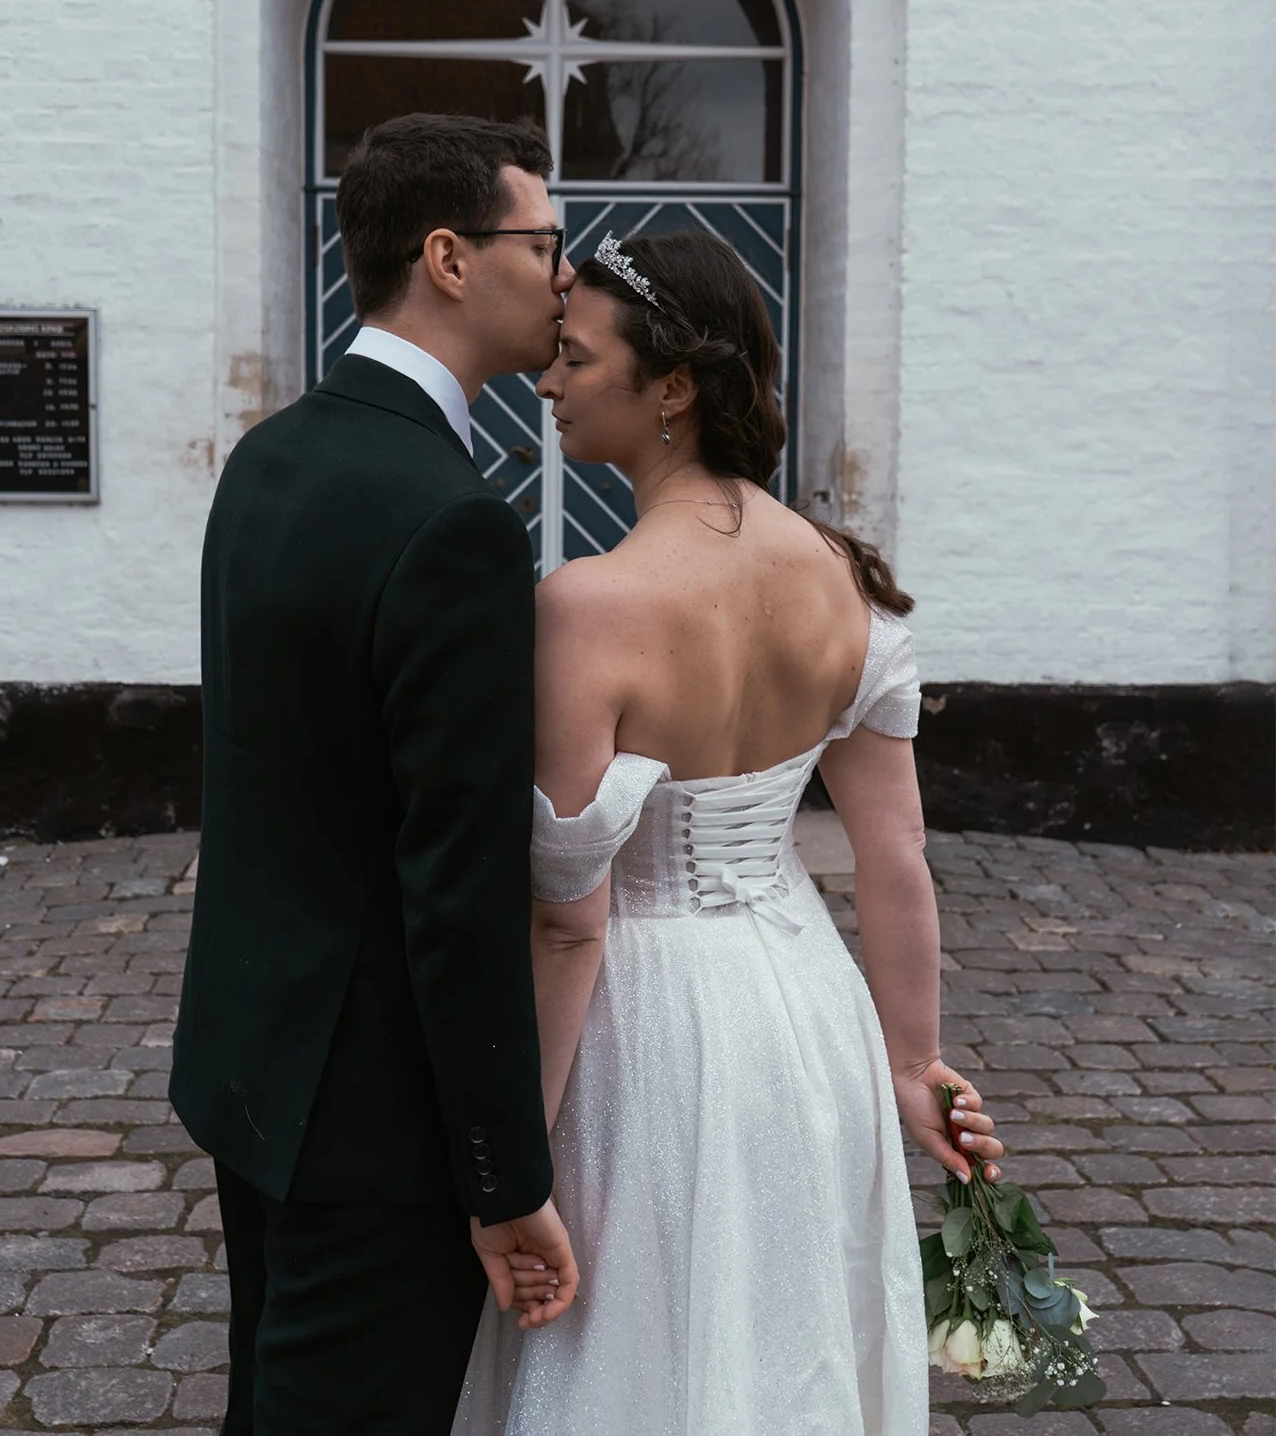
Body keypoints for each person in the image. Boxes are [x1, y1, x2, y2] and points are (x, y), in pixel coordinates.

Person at [455, 229, 1004, 1434]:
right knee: (780, 1339)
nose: (548, 382)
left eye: (577, 357)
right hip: (808, 1020)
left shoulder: (585, 607)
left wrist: (515, 1165)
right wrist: (914, 1064)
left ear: (673, 388)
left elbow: (566, 927)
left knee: (636, 1351)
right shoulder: (843, 584)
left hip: (642, 1034)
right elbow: (893, 855)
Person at [170, 114, 580, 1436]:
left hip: (253, 1068)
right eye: (546, 243)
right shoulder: (450, 519)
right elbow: (454, 883)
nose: (564, 277)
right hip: (373, 1125)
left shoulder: (270, 457)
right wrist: (505, 1177)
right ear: (451, 258)